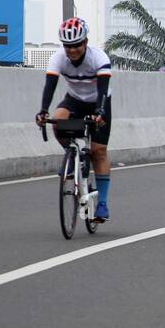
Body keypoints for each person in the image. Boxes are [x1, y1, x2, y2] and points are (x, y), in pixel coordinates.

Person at [35, 17, 113, 222]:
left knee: (98, 151)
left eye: (76, 45)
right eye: (68, 46)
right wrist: (43, 111)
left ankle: (102, 204)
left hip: (99, 101)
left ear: (85, 42)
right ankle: (71, 156)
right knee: (57, 119)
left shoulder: (99, 58)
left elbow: (103, 90)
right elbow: (50, 87)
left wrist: (101, 112)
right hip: (75, 99)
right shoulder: (58, 58)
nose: (72, 50)